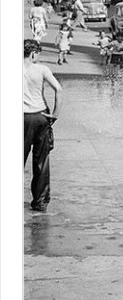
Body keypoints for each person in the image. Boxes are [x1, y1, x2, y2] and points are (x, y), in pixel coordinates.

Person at [24, 39, 63, 213]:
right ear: (33, 53)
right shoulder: (41, 69)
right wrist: (55, 114)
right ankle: (40, 202)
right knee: (41, 161)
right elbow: (58, 89)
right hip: (40, 117)